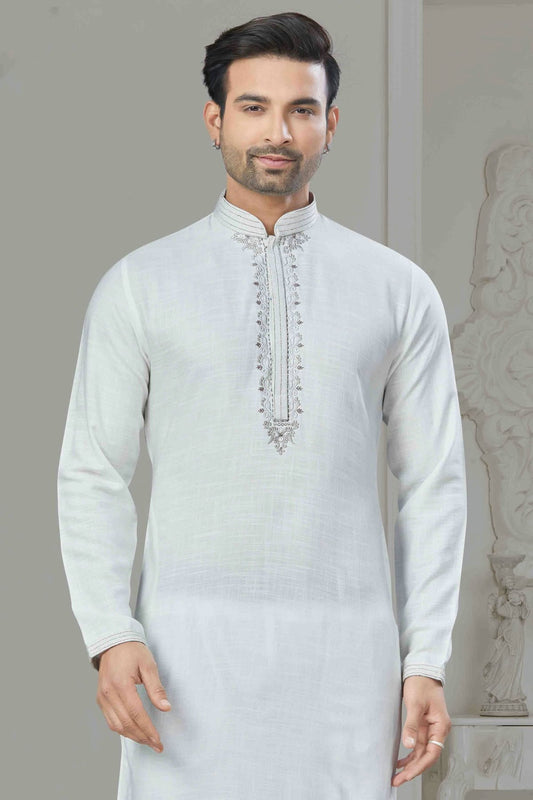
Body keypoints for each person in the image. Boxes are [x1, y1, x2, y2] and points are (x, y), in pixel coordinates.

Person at [57, 11, 467, 799]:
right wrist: (110, 634)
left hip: (349, 669)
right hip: (181, 668)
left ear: (330, 125)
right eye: (253, 107)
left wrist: (425, 661)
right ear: (214, 120)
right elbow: (92, 471)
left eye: (301, 109)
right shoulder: (141, 284)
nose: (277, 131)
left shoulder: (396, 289)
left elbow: (433, 485)